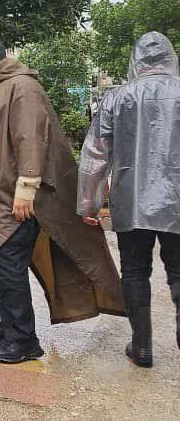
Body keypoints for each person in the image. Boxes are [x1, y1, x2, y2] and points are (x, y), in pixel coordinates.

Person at [0, 31, 125, 364]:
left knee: (8, 263)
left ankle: (24, 340)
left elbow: (30, 139)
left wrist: (26, 189)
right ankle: (11, 324)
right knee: (6, 262)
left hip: (16, 197)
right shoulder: (0, 87)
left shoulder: (22, 88)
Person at [78, 31, 180, 367]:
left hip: (131, 199)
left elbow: (94, 154)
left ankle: (142, 347)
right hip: (177, 202)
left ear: (136, 59)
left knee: (135, 271)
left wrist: (89, 203)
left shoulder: (117, 97)